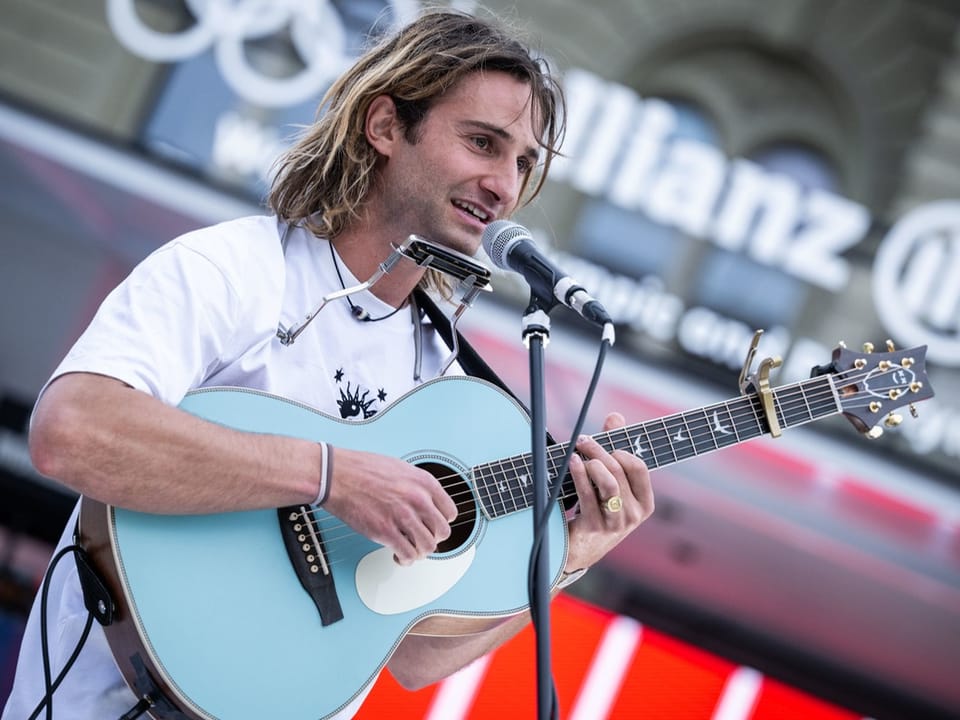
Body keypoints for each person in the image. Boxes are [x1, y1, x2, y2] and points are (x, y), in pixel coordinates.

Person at [2, 8, 654, 720]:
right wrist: (329, 476)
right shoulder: (236, 267)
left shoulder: (445, 381)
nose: (505, 184)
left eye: (523, 162)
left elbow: (410, 654)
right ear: (384, 127)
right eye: (482, 143)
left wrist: (569, 556)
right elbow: (71, 430)